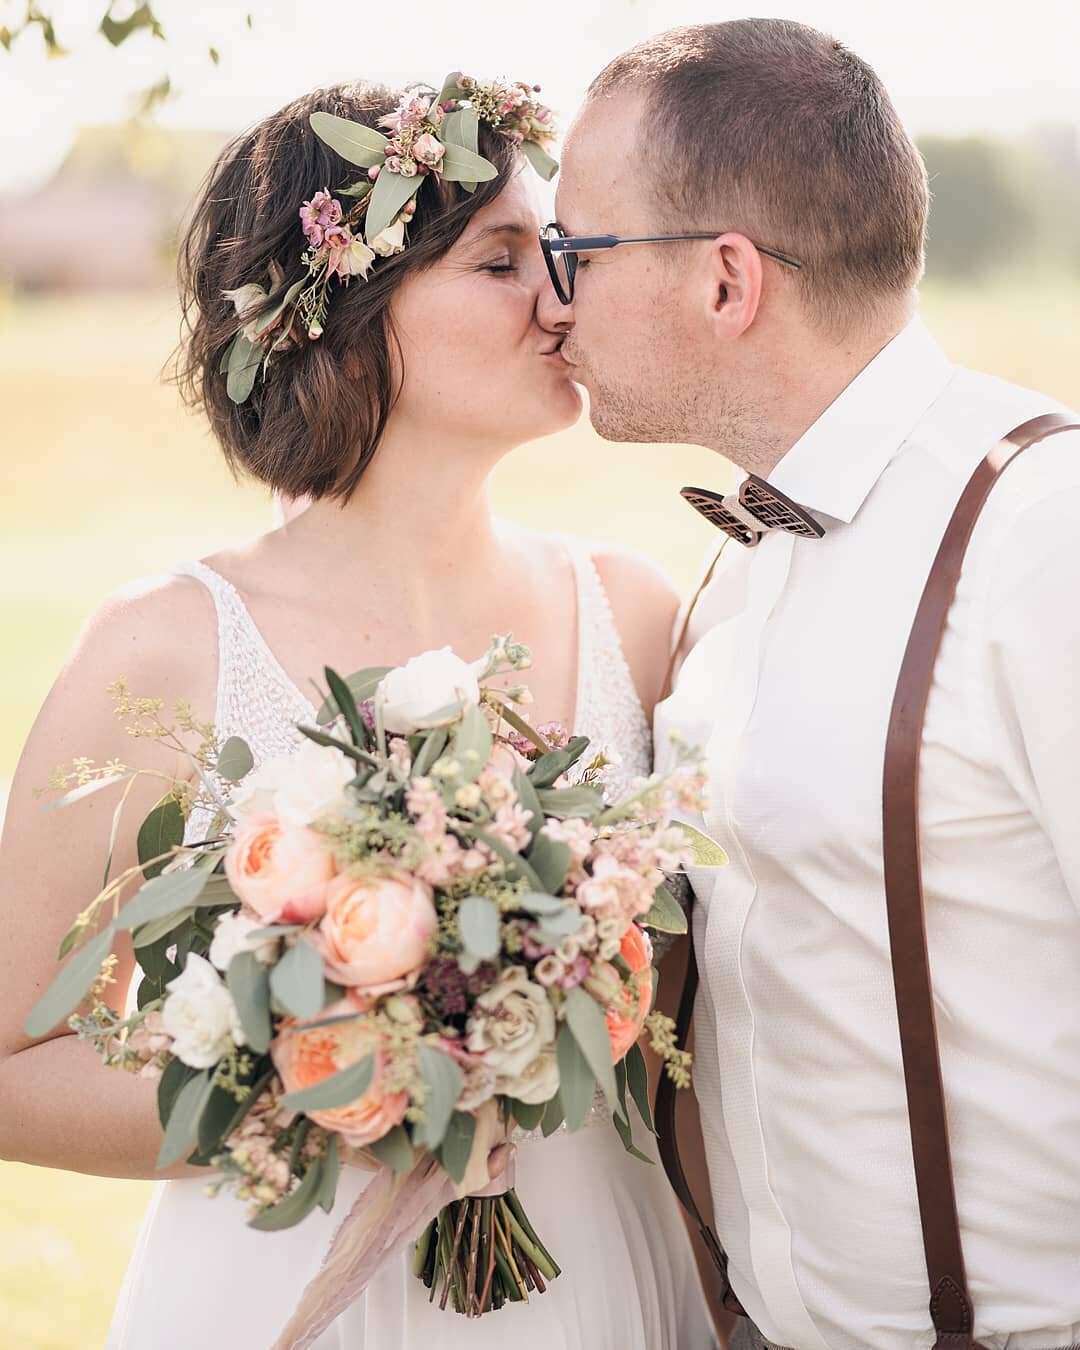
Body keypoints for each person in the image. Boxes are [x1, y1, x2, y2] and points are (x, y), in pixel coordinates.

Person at [0, 76, 712, 1349]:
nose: (564, 298)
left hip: (604, 1279)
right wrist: (326, 1079)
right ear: (342, 307)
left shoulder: (637, 613)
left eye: (554, 251)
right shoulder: (167, 645)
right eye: (501, 261)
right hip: (287, 1294)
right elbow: (9, 1061)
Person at [542, 18, 1080, 1350]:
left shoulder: (1041, 536)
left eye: (575, 253)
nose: (552, 303)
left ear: (726, 281)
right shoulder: (735, 563)